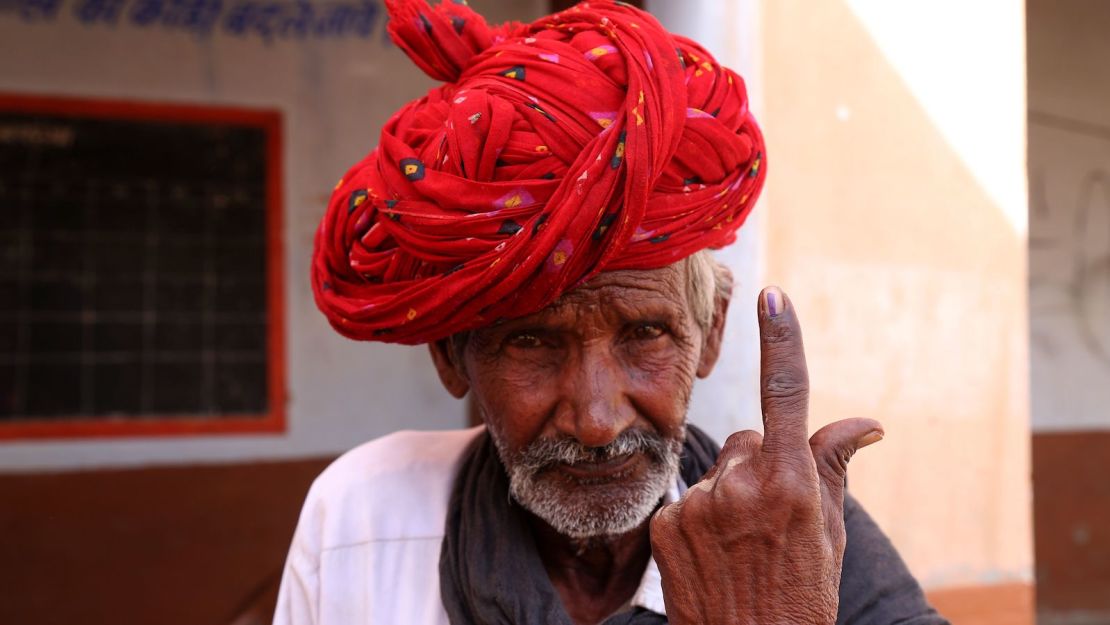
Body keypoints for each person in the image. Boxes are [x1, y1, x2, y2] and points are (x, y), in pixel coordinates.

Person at [275, 1, 949, 623]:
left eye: (645, 334)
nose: (597, 421)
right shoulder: (362, 521)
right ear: (453, 355)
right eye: (534, 342)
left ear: (709, 333)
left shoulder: (797, 543)